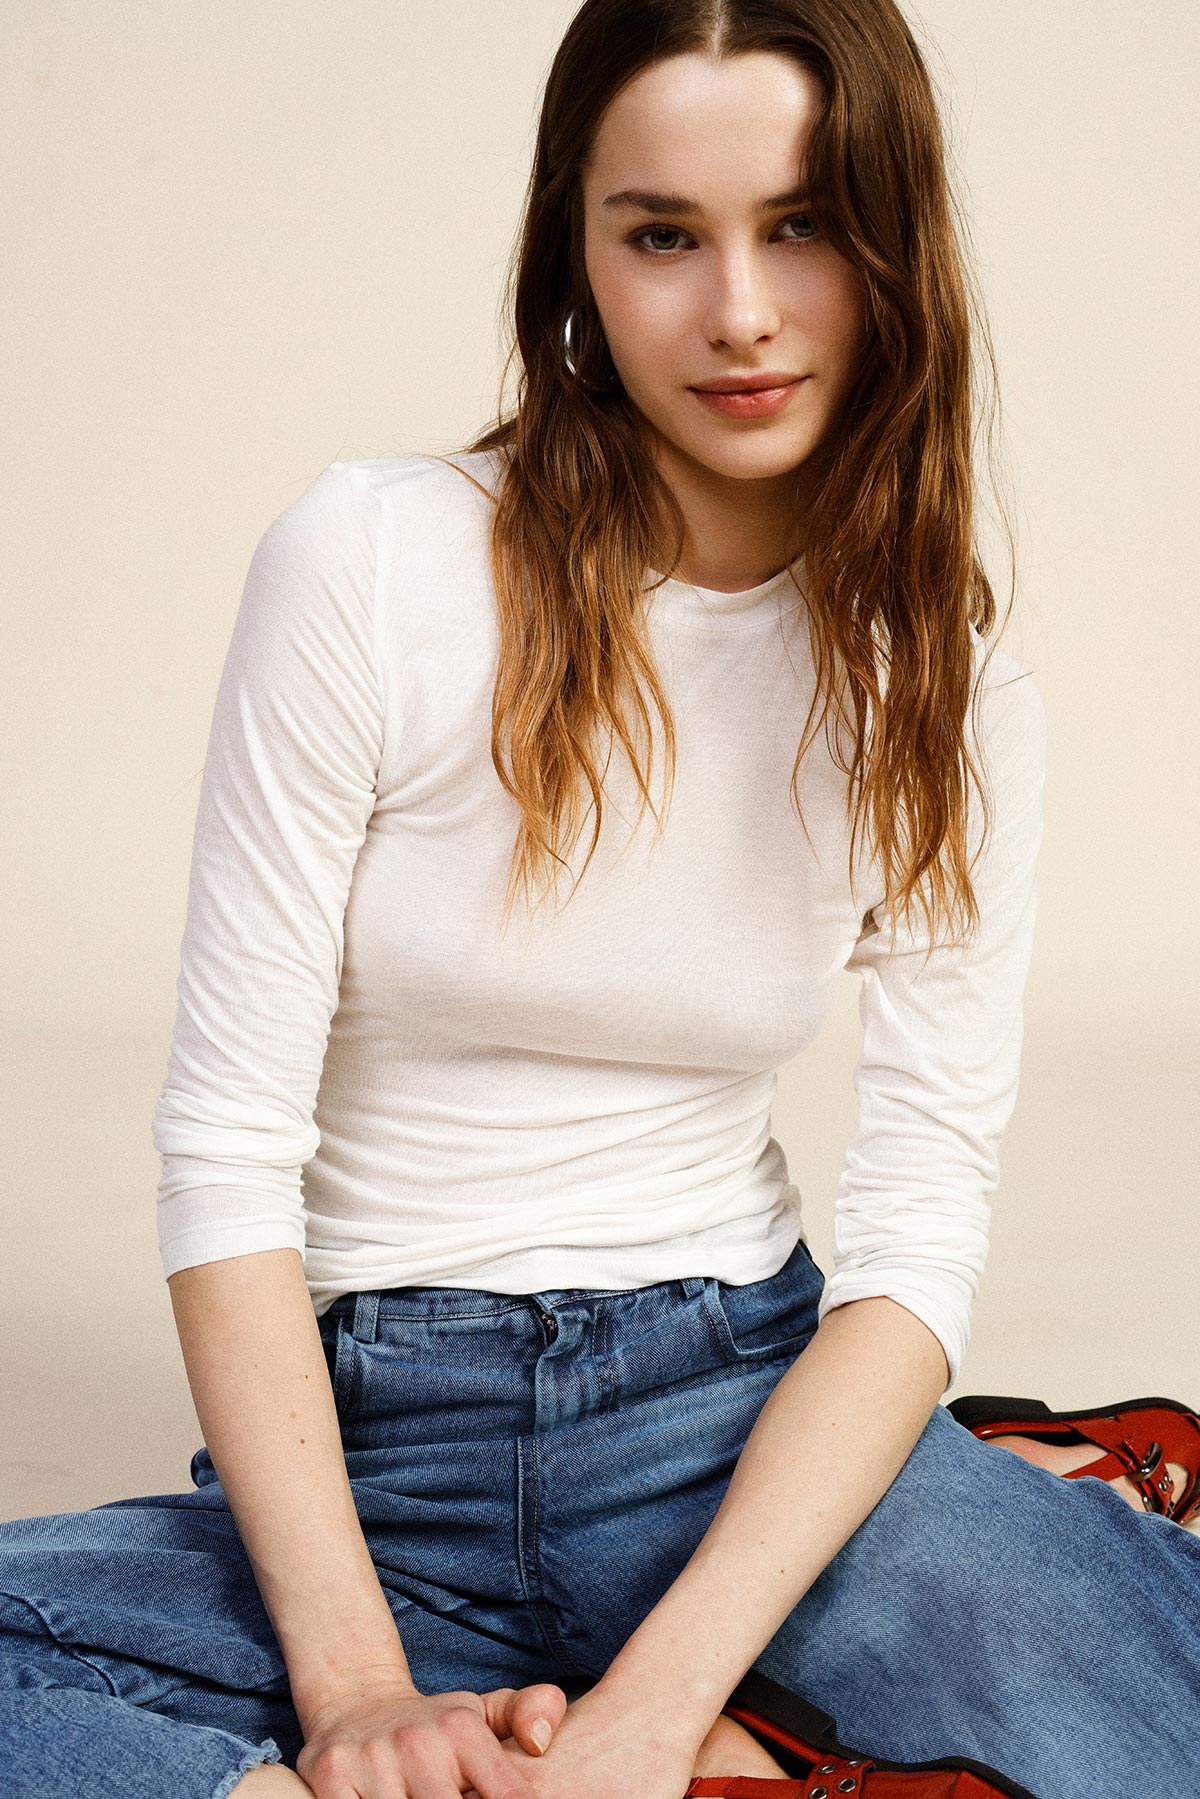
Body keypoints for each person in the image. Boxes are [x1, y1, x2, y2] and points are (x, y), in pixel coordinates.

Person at [2, 3, 1198, 1797]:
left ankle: (707, 1716)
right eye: (662, 235)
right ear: (577, 255)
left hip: (731, 1423)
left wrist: (648, 1706)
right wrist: (351, 1694)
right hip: (375, 1453)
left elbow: (916, 1241)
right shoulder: (374, 562)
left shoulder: (946, 694)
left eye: (803, 225)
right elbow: (228, 1147)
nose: (738, 311)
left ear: (895, 247)